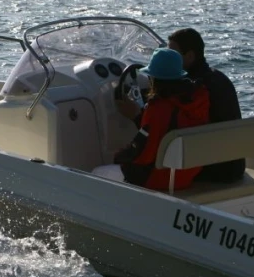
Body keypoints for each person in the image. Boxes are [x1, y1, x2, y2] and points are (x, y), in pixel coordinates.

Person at [94, 48, 209, 191]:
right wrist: (139, 116)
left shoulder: (158, 108)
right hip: (184, 176)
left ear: (153, 78)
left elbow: (144, 155)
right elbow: (166, 128)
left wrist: (119, 156)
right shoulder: (197, 101)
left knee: (97, 173)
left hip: (158, 179)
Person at [168, 28, 245, 183]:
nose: (168, 59)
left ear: (189, 56)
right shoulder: (219, 78)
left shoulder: (191, 88)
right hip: (234, 166)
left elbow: (164, 129)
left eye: (172, 55)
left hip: (211, 170)